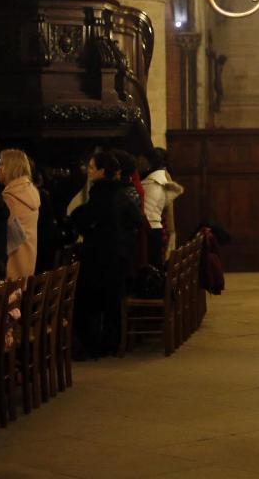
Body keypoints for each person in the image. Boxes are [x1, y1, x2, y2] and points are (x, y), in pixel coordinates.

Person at [70, 151, 144, 358]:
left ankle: (93, 345)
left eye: (92, 168)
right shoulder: (120, 192)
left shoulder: (102, 193)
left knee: (90, 302)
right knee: (112, 302)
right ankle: (111, 343)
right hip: (119, 256)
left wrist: (78, 221)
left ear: (103, 172)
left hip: (101, 257)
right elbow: (137, 220)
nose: (88, 171)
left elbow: (86, 219)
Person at [0, 149, 40, 280]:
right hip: (27, 262)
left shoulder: (11, 197)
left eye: (1, 164)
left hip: (12, 268)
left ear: (10, 167)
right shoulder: (30, 191)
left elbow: (8, 236)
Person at [140, 147, 184, 266]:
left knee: (156, 260)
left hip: (159, 222)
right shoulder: (159, 175)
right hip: (159, 221)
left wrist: (171, 230)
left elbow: (168, 206)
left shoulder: (157, 178)